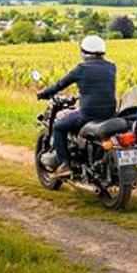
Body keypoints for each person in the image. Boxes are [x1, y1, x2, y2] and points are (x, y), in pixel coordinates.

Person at [38, 35, 116, 177]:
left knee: (59, 127)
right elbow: (99, 88)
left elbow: (60, 85)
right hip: (110, 113)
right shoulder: (111, 67)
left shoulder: (81, 68)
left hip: (88, 114)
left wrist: (44, 93)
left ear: (85, 52)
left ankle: (65, 164)